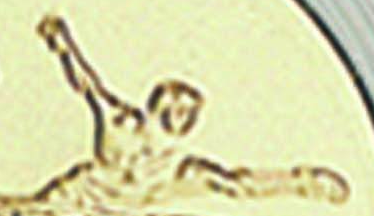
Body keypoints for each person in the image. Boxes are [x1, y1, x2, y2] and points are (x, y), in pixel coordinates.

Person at [35, 14, 349, 206]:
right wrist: (62, 45)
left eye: (189, 114)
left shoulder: (178, 165)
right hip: (88, 191)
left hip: (149, 196)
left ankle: (303, 183)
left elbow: (238, 184)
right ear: (159, 107)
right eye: (179, 110)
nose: (183, 119)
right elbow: (87, 84)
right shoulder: (120, 122)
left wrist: (296, 181)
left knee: (226, 182)